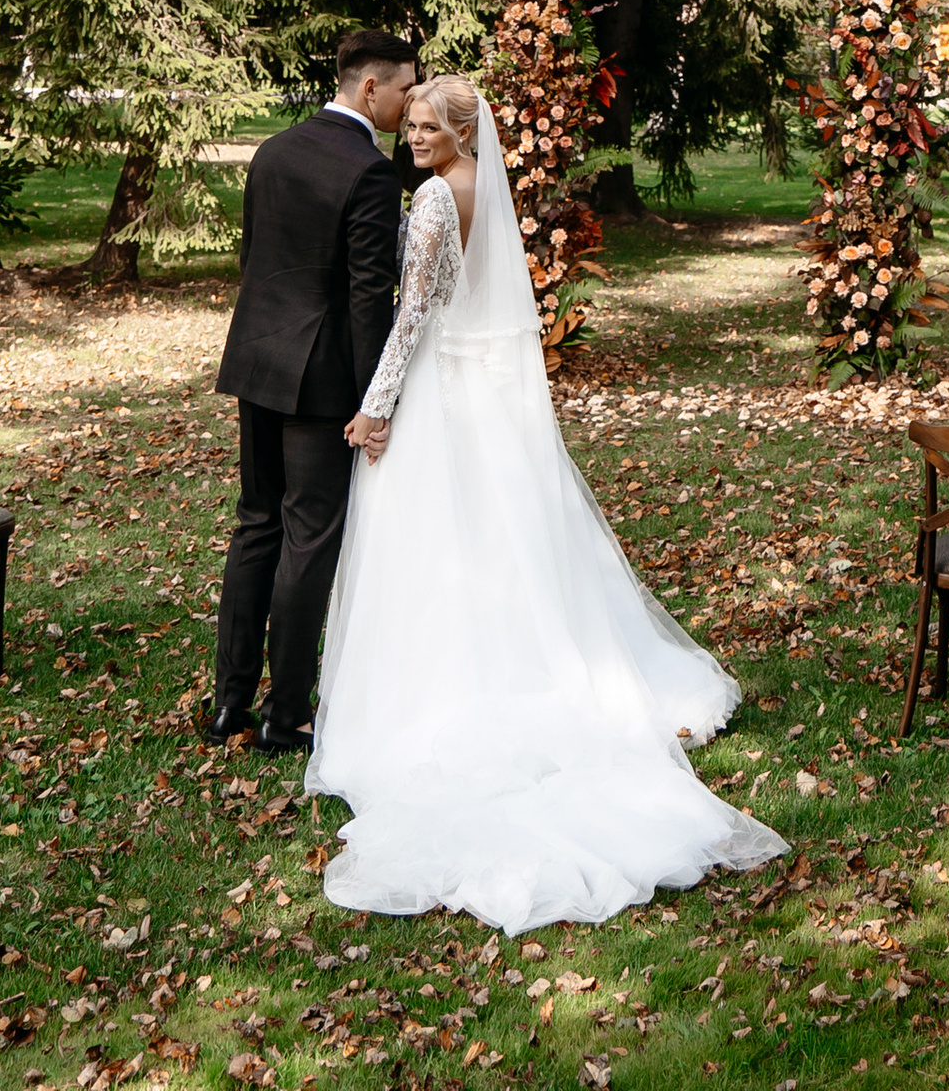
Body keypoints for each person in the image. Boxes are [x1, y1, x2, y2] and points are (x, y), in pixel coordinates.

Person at [308, 75, 783, 930]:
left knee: (433, 552)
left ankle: (437, 701)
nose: (412, 138)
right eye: (408, 125)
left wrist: (376, 407)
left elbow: (413, 316)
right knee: (509, 541)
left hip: (441, 396)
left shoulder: (427, 203)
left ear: (460, 132)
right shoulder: (481, 188)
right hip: (485, 395)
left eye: (426, 127)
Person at [210, 27, 420, 752]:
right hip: (322, 379)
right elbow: (370, 297)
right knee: (308, 537)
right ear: (369, 87)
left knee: (256, 526)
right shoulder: (367, 171)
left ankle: (228, 702)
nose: (407, 101)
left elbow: (254, 257)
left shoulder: (274, 149)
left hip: (256, 361)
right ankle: (285, 712)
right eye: (402, 88)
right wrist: (375, 401)